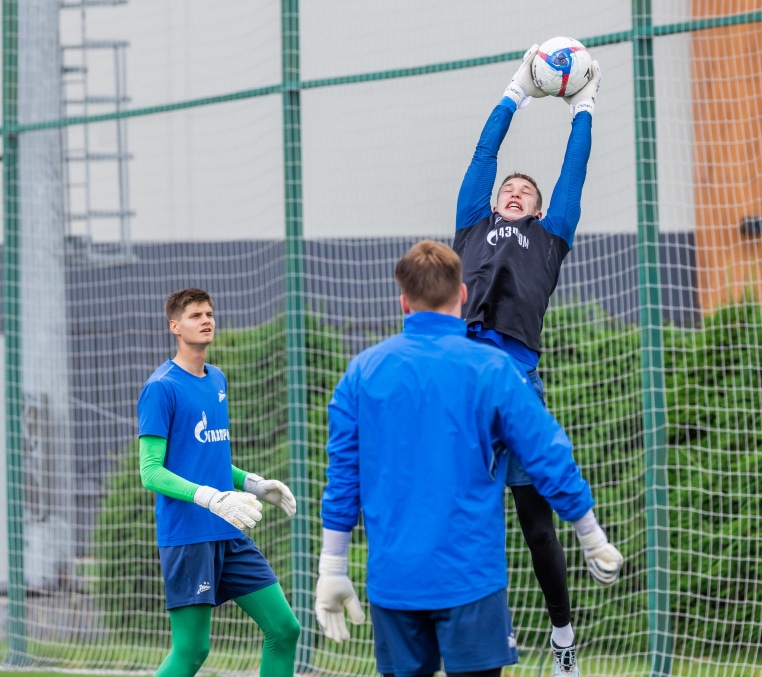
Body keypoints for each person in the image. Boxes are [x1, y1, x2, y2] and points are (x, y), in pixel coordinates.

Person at [314, 240, 623, 677]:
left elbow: (343, 479)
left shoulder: (362, 372)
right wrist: (589, 535)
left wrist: (333, 566)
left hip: (394, 581)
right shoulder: (492, 368)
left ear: (403, 300)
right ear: (462, 293)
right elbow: (548, 455)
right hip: (471, 579)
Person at [452, 44, 604, 676]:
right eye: (508, 187)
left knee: (537, 528)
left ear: (540, 210)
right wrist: (516, 89)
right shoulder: (470, 224)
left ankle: (563, 640)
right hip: (462, 378)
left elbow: (573, 169)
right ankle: (484, 630)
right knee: (466, 515)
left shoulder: (550, 236)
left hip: (516, 380)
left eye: (526, 190)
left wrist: (585, 107)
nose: (514, 190)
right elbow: (483, 154)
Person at [137, 287, 301, 677]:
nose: (206, 320)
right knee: (193, 651)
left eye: (209, 313)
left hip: (228, 529)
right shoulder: (161, 387)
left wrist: (254, 484)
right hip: (189, 536)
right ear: (175, 326)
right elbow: (150, 471)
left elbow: (205, 458)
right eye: (195, 315)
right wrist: (210, 498)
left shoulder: (217, 379)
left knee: (284, 629)